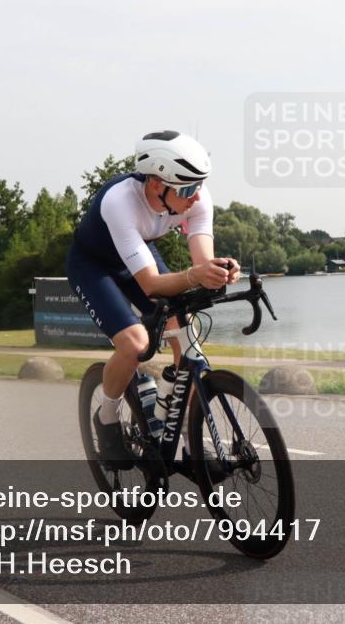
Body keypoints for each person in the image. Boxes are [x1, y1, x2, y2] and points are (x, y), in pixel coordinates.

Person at [67, 130, 240, 468]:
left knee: (188, 340)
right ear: (157, 184)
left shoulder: (196, 198)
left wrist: (220, 271)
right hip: (94, 266)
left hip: (138, 255)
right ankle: (107, 420)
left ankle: (190, 443)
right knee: (135, 344)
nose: (196, 196)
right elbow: (151, 285)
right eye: (188, 188)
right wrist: (195, 276)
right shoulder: (119, 202)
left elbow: (201, 264)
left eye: (200, 185)